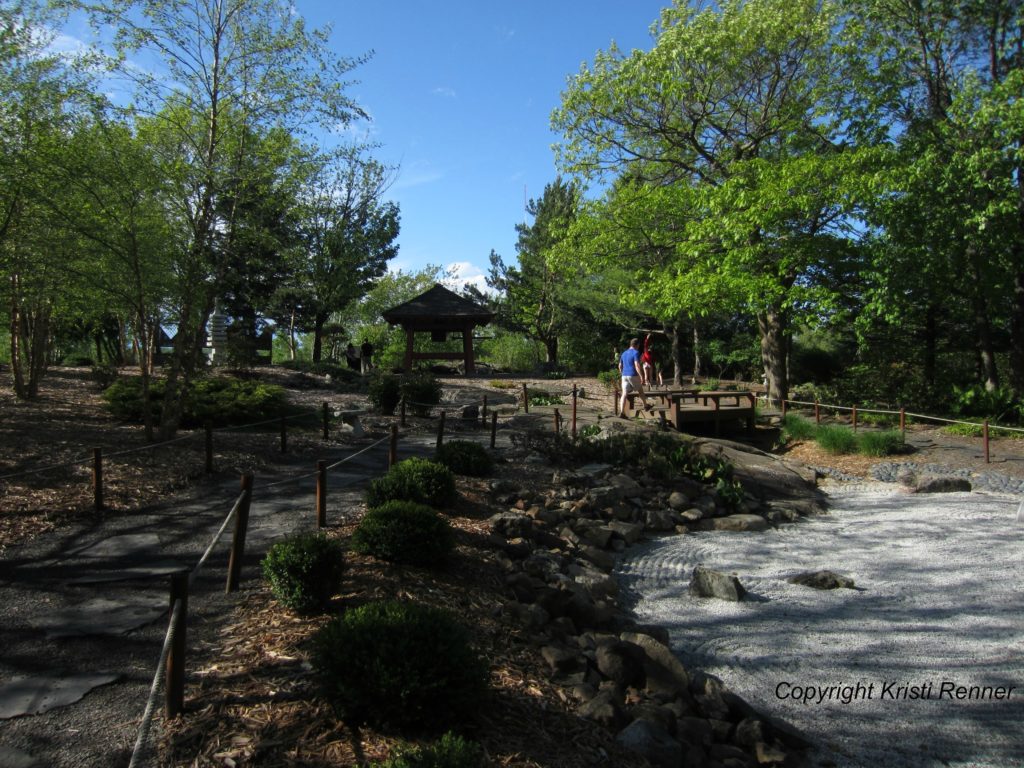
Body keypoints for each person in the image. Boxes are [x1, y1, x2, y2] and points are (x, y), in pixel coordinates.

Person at [618, 337, 651, 417]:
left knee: (624, 393)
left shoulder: (624, 353)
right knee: (640, 390)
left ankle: (622, 412)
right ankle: (646, 406)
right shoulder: (636, 352)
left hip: (624, 375)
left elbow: (620, 366)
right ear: (637, 345)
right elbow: (637, 365)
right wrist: (641, 376)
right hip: (632, 374)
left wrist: (622, 373)